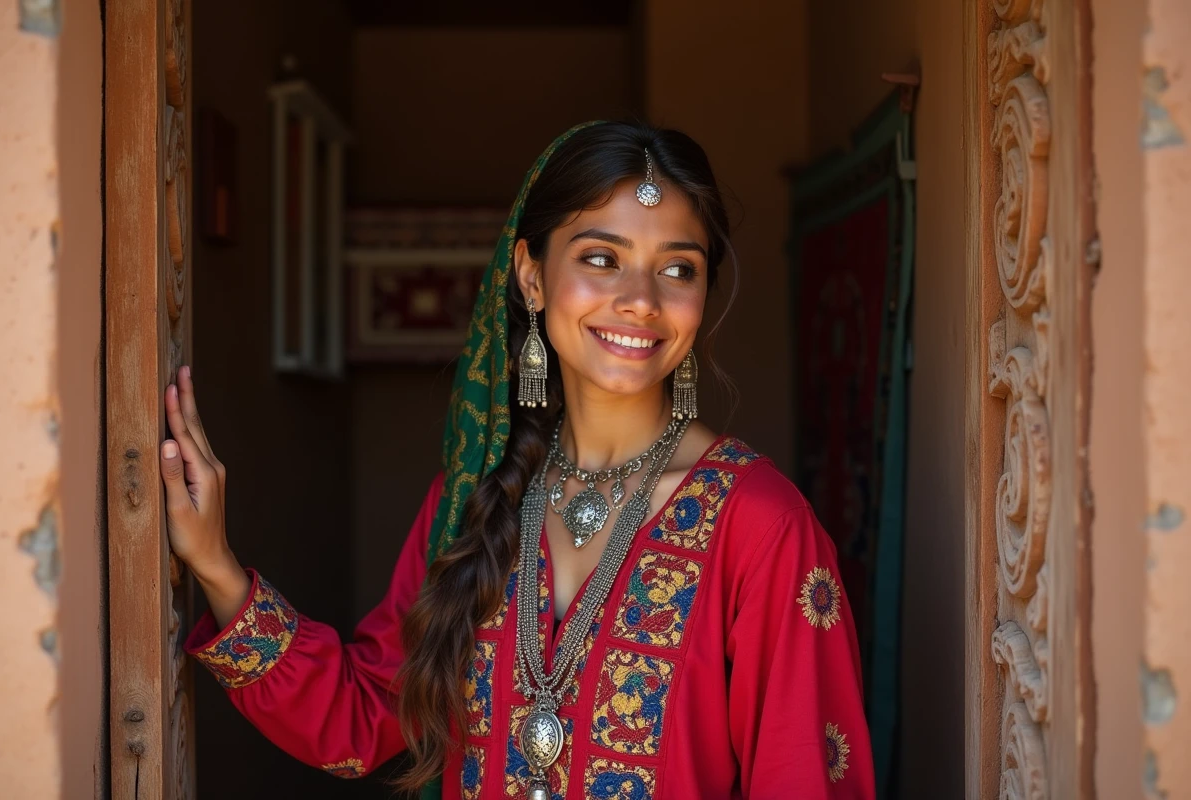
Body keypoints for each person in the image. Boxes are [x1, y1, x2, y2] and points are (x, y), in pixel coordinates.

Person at [160, 121, 874, 799]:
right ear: (531, 277)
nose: (641, 301)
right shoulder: (473, 494)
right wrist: (217, 566)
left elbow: (804, 775)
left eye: (677, 269)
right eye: (602, 258)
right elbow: (363, 717)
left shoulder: (761, 526)